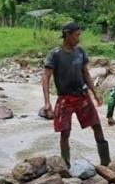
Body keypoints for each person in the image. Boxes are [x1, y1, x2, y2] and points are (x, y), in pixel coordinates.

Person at [41, 21, 110, 167]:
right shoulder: (55, 54)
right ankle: (66, 165)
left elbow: (86, 73)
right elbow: (46, 77)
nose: (79, 38)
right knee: (65, 132)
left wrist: (95, 93)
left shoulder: (80, 51)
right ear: (67, 35)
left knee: (96, 125)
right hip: (65, 98)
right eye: (77, 35)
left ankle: (106, 162)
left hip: (82, 96)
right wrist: (47, 102)